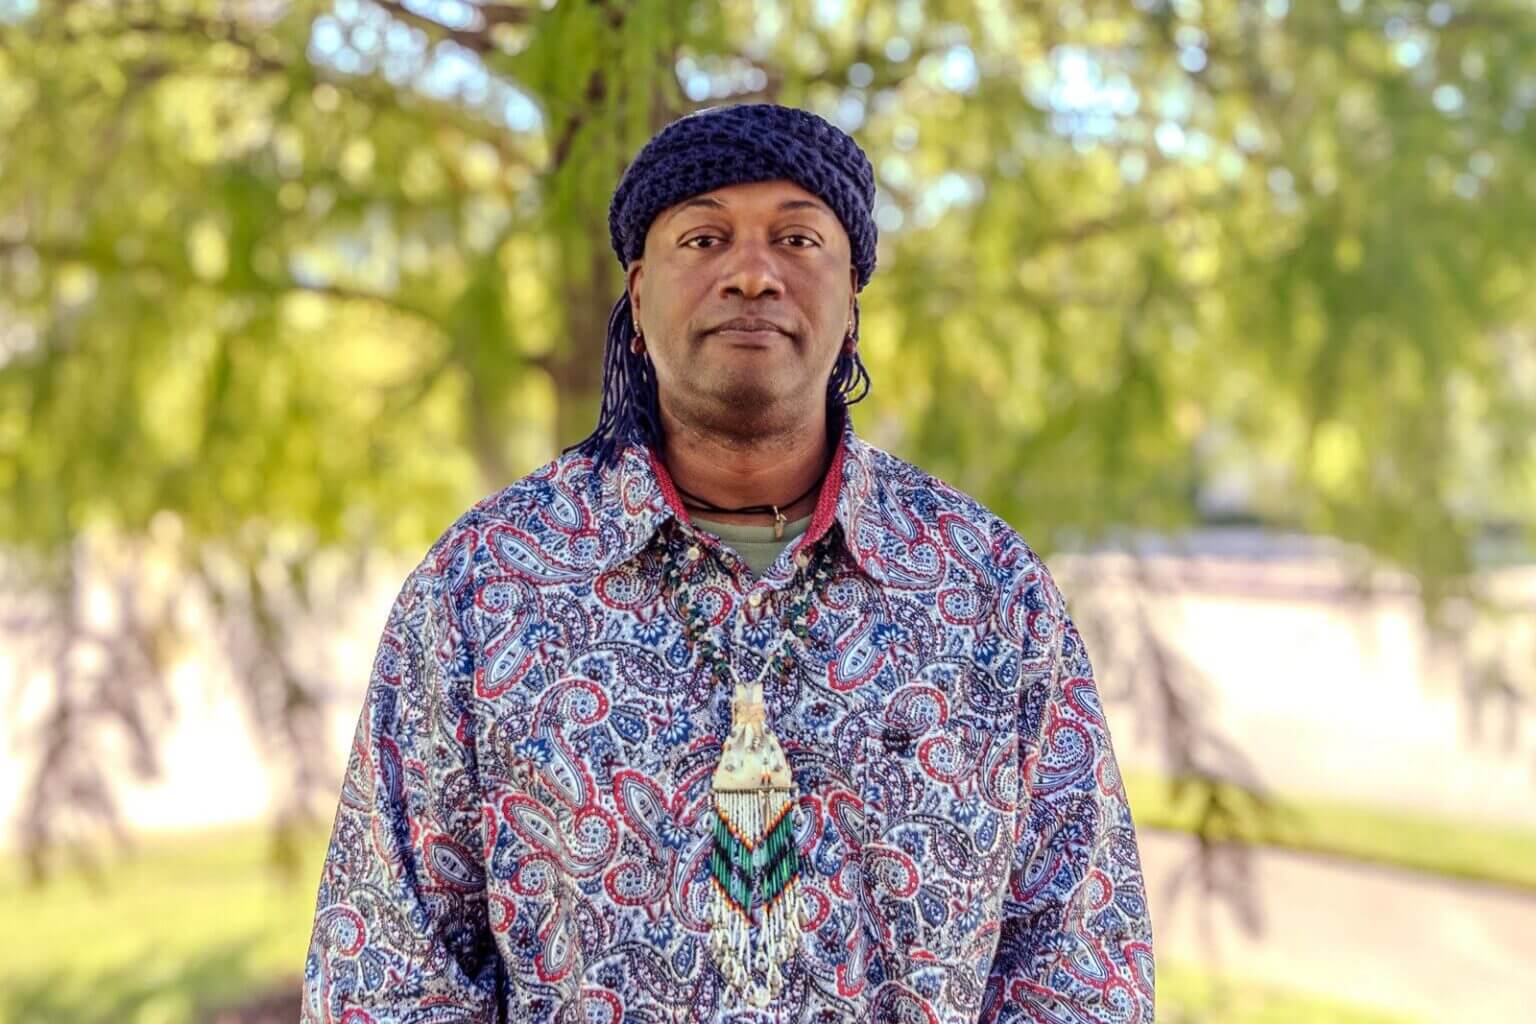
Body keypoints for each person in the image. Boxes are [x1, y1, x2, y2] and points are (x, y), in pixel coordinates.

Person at [302, 102, 1154, 1024]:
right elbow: (387, 973)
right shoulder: (487, 585)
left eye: (797, 238)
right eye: (705, 239)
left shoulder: (988, 592)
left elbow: (1079, 967)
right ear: (636, 297)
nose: (752, 273)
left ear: (853, 302)